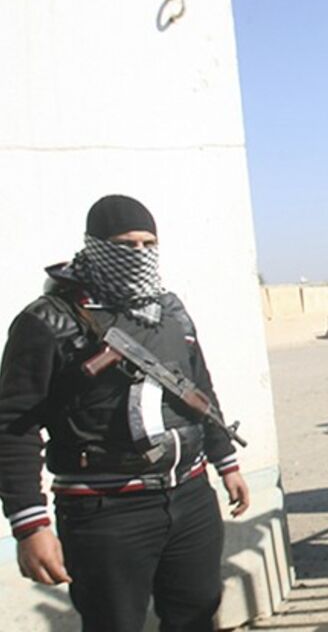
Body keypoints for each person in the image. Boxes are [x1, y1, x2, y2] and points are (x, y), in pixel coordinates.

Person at [0, 195, 249, 632]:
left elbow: (200, 391)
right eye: (124, 245)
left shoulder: (170, 312)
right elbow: (12, 427)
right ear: (95, 245)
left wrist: (226, 462)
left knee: (197, 612)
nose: (138, 255)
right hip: (104, 512)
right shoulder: (48, 321)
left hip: (190, 495)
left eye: (147, 244)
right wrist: (29, 523)